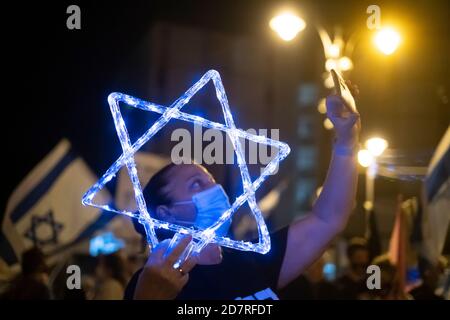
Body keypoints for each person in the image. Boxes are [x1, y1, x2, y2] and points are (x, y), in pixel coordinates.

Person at [125, 85, 361, 299]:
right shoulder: (153, 285)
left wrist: (346, 143)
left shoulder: (252, 261)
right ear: (165, 213)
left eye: (211, 181)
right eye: (196, 185)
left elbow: (328, 218)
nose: (215, 190)